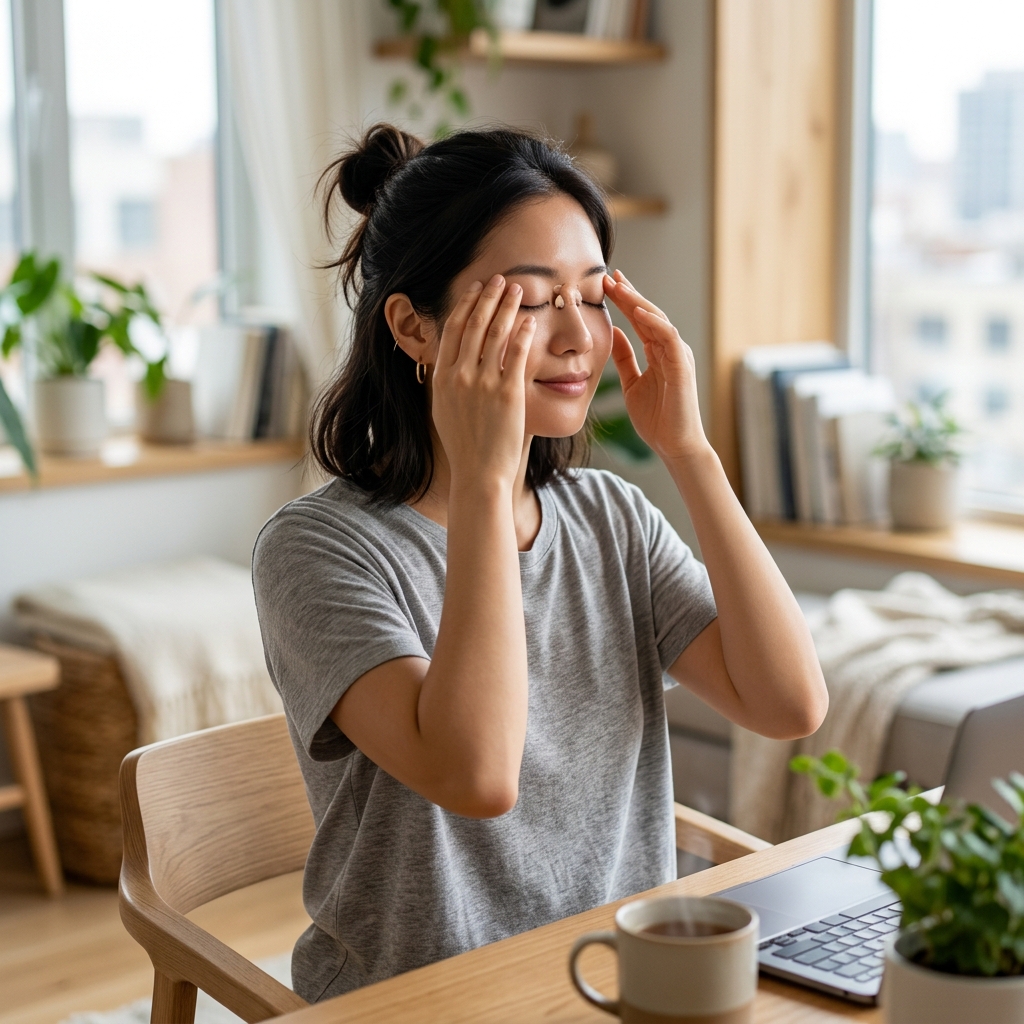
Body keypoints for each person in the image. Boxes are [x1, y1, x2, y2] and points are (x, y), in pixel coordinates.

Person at [252, 123, 827, 1002]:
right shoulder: (317, 550)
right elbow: (477, 775)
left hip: (618, 980)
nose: (575, 338)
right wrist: (483, 478)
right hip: (417, 1000)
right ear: (413, 327)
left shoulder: (610, 518)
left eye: (593, 297)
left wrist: (690, 452)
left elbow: (789, 704)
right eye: (527, 301)